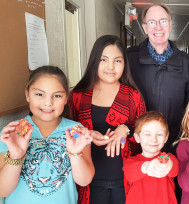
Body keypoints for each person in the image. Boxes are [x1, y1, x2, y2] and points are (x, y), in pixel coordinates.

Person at [68, 35, 146, 204]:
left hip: (125, 181)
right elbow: (66, 130)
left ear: (124, 64)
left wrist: (125, 129)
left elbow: (145, 131)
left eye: (117, 61)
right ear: (94, 61)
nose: (111, 66)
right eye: (104, 60)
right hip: (88, 182)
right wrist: (86, 133)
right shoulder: (77, 96)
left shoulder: (133, 95)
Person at [0, 66, 94, 204]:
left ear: (66, 98)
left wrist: (74, 154)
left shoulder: (75, 130)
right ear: (27, 94)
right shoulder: (13, 132)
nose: (48, 103)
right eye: (39, 94)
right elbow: (3, 190)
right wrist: (16, 156)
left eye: (57, 96)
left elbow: (84, 180)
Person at [127, 3, 189, 154]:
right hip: (138, 144)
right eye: (152, 22)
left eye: (163, 21)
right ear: (145, 28)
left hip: (175, 143)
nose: (158, 27)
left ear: (171, 25)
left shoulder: (187, 63)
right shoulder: (129, 59)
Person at [123, 111, 179, 204]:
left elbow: (174, 168)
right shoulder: (131, 161)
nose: (154, 139)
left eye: (159, 134)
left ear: (166, 137)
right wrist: (147, 166)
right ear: (137, 137)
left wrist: (168, 164)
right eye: (147, 134)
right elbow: (130, 172)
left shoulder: (168, 157)